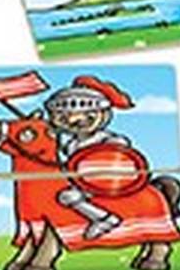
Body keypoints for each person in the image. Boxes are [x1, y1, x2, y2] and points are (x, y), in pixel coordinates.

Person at [43, 76, 138, 240]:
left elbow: (117, 156)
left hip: (101, 182)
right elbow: (70, 161)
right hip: (80, 180)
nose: (73, 121)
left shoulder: (106, 139)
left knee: (68, 197)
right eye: (65, 117)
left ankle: (104, 219)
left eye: (87, 116)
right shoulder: (72, 144)